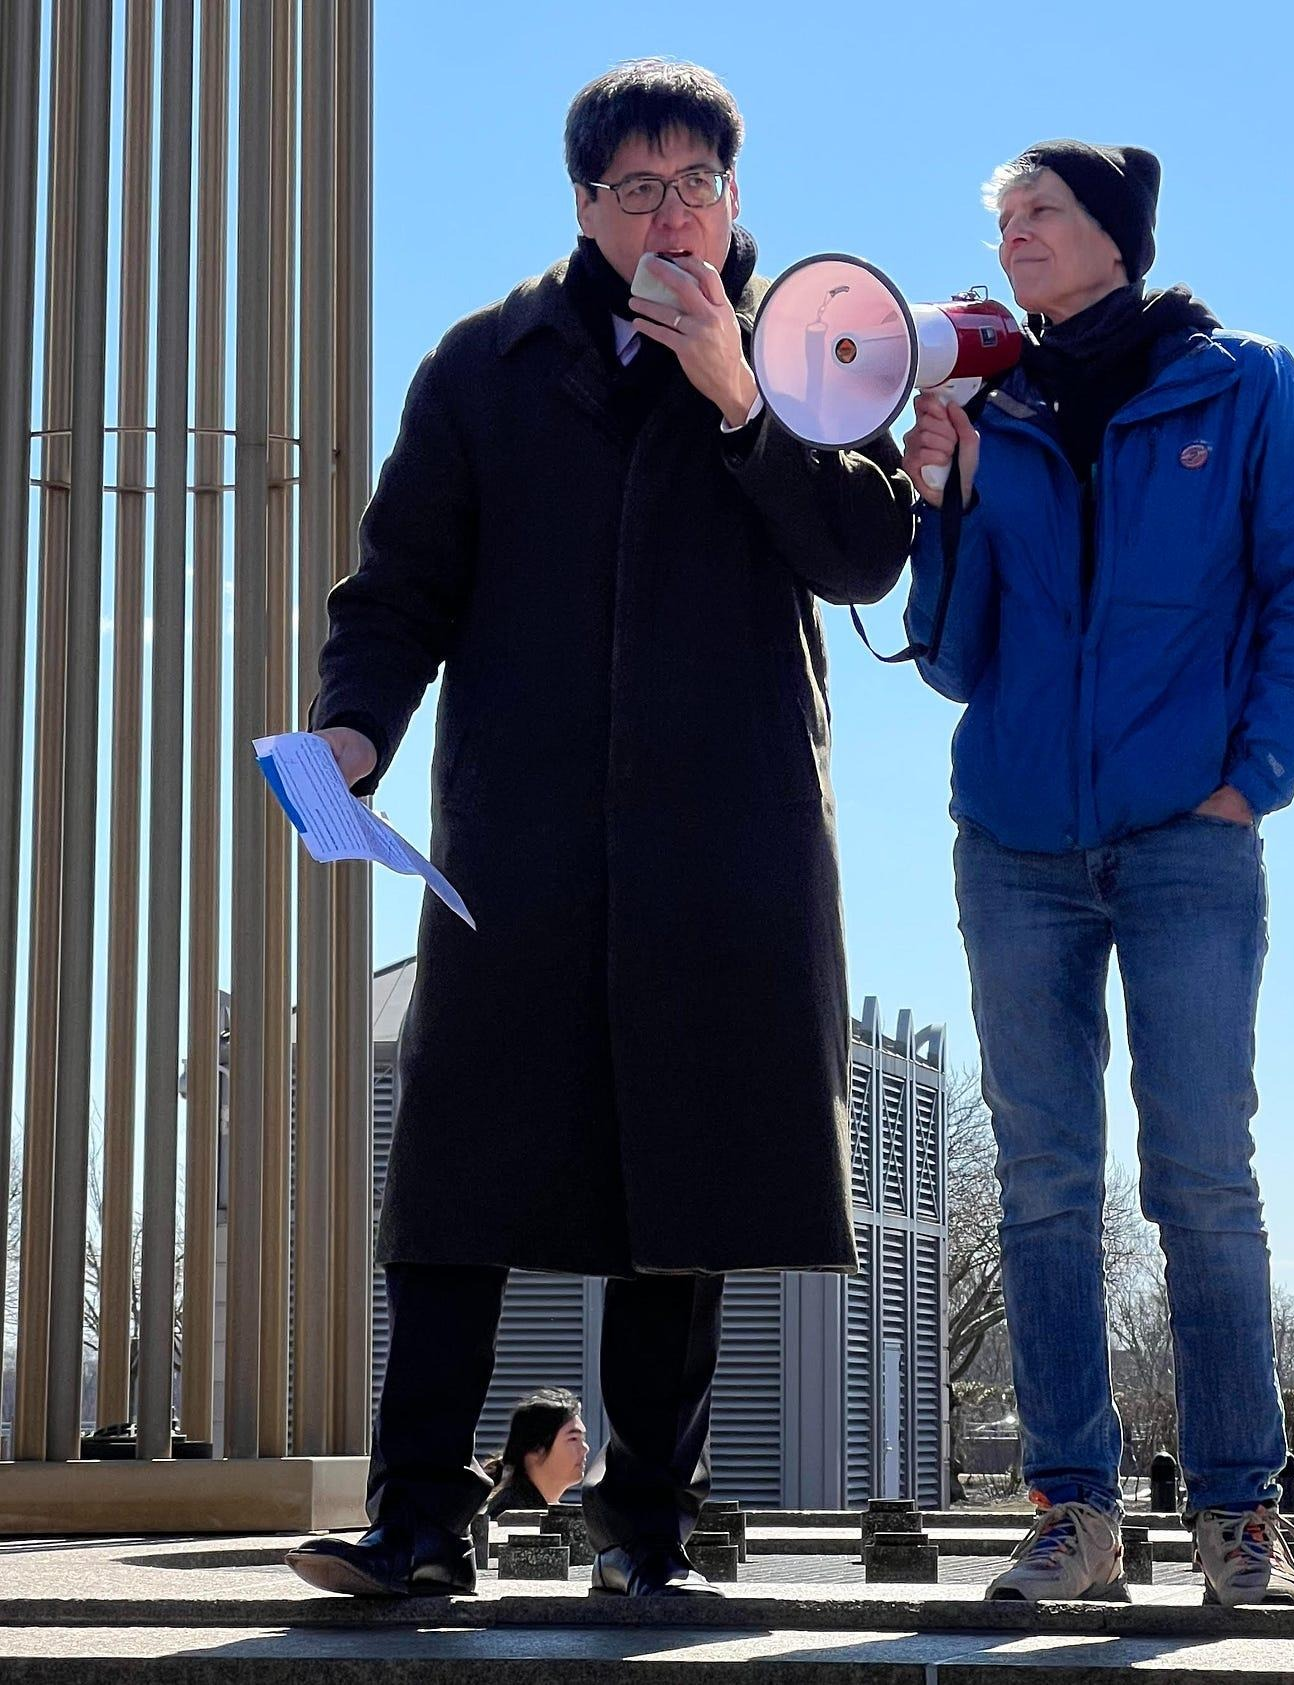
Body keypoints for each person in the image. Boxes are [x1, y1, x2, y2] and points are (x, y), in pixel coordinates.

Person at [284, 58, 913, 1600]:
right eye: (637, 189)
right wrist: (357, 725)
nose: (672, 214)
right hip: (524, 831)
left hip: (728, 831)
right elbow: (398, 585)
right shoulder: (485, 362)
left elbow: (860, 552)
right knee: (457, 1177)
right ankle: (418, 1520)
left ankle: (647, 1534)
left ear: (737, 194)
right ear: (583, 205)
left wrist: (741, 402)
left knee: (683, 1187)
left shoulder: (818, 344)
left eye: (697, 182)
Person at [902, 140, 1294, 1608]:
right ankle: (1073, 1518)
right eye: (1003, 217)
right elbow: (956, 658)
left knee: (1203, 1180)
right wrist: (942, 496)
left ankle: (1240, 1517)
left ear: (1116, 232)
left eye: (1038, 212)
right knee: (1042, 1186)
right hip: (1015, 848)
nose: (1014, 235)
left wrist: (1252, 783)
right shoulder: (997, 400)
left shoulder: (1244, 384)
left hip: (1188, 842)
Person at [481, 1390, 590, 1514]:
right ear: (536, 1448)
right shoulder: (509, 1515)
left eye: (583, 1439)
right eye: (573, 1439)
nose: (585, 1448)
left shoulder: (545, 1510)